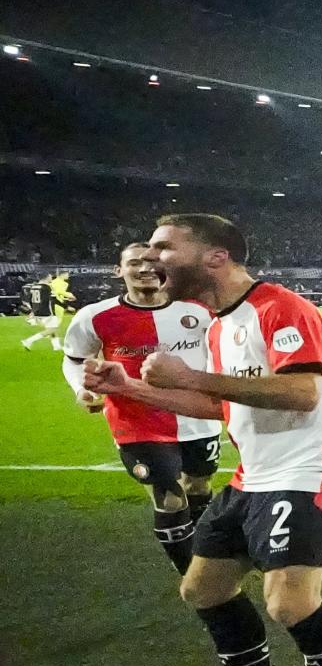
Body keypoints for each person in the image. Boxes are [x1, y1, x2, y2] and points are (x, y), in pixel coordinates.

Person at [83, 213, 322, 666]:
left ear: (214, 256)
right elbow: (227, 407)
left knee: (289, 604)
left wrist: (189, 375)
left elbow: (302, 391)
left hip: (309, 468)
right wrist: (131, 388)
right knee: (203, 588)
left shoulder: (278, 307)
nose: (151, 257)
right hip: (254, 473)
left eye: (165, 247)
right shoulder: (219, 325)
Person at [62, 242, 223, 574]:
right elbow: (75, 360)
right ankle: (194, 576)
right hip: (137, 422)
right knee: (170, 497)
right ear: (120, 271)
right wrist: (82, 388)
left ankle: (209, 557)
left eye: (153, 262)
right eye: (135, 263)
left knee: (199, 486)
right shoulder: (95, 316)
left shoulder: (200, 309)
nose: (146, 268)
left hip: (198, 416)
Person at [19, 273, 73, 351]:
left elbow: (30, 300)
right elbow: (54, 300)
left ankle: (56, 346)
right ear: (47, 277)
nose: (51, 278)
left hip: (37, 311)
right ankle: (28, 341)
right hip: (47, 311)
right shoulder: (47, 287)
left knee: (51, 328)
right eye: (50, 277)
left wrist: (33, 310)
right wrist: (67, 307)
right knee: (52, 329)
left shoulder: (34, 287)